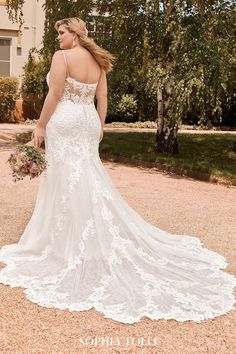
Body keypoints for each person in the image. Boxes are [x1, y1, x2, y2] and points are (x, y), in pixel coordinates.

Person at [0, 17, 235, 324]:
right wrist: (99, 126)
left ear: (75, 34)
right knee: (86, 178)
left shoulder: (63, 57)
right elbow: (103, 98)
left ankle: (63, 242)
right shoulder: (98, 62)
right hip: (86, 123)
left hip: (66, 122)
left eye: (61, 32)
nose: (58, 38)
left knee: (65, 180)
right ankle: (84, 233)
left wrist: (40, 125)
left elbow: (54, 94)